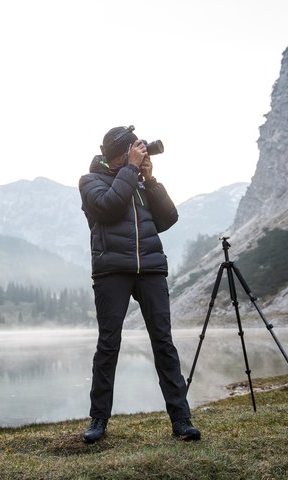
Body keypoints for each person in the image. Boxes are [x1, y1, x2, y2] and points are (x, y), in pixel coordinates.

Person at [78, 125, 200, 443]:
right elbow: (109, 207)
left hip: (151, 269)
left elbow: (168, 219)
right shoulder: (90, 182)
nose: (137, 155)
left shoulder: (137, 182)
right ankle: (98, 420)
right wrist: (132, 169)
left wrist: (149, 178)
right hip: (111, 271)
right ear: (116, 154)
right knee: (108, 345)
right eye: (131, 152)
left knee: (163, 343)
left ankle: (182, 421)